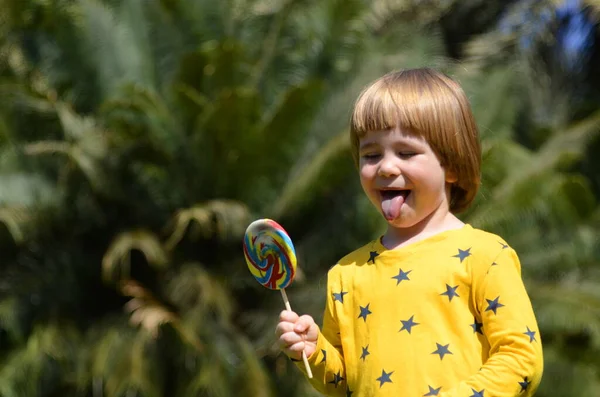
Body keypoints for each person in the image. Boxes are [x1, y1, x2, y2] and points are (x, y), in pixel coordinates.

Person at [275, 68, 544, 396]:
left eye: (406, 152)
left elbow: (521, 359)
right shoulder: (346, 274)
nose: (386, 167)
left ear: (453, 166)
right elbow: (342, 383)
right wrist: (313, 351)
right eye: (371, 154)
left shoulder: (485, 255)